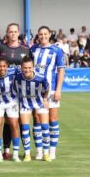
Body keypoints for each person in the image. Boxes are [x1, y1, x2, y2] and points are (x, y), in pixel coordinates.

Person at [0, 23, 32, 160]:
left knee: (21, 122)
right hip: (6, 94)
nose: (13, 34)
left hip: (23, 92)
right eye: (10, 31)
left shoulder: (26, 49)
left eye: (15, 31)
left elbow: (30, 68)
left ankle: (25, 151)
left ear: (18, 33)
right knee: (6, 122)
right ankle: (6, 149)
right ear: (7, 33)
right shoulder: (1, 48)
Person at [31, 26, 65, 160]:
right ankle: (39, 151)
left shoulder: (57, 50)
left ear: (49, 34)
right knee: (37, 120)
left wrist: (58, 90)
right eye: (40, 34)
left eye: (45, 34)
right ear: (38, 35)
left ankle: (52, 150)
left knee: (52, 120)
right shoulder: (33, 49)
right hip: (36, 91)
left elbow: (61, 71)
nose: (43, 36)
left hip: (51, 91)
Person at [14, 56, 51, 162]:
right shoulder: (18, 77)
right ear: (21, 68)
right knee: (25, 128)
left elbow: (47, 89)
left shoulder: (40, 77)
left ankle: (45, 153)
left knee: (45, 127)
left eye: (29, 67)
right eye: (25, 68)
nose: (27, 70)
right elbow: (15, 89)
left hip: (39, 103)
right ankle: (27, 154)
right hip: (25, 104)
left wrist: (45, 99)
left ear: (33, 67)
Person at [0, 57, 21, 162]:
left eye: (4, 66)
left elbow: (25, 71)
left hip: (12, 102)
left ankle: (15, 154)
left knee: (14, 125)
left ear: (7, 67)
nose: (1, 68)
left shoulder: (14, 71)